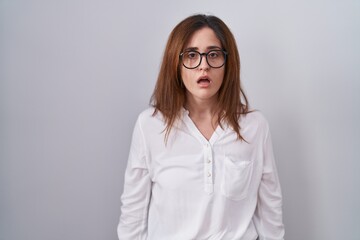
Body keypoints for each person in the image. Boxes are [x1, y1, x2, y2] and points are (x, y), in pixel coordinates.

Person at [117, 14, 284, 240]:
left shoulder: (254, 127)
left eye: (213, 54)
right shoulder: (149, 126)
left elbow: (270, 214)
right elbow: (132, 217)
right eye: (192, 55)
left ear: (228, 63)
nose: (203, 65)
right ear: (176, 63)